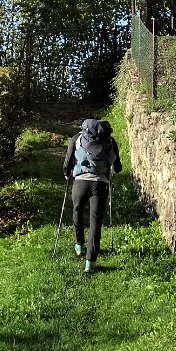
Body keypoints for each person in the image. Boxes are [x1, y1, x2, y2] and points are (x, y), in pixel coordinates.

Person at [62, 117, 122, 273]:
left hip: (80, 181)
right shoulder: (109, 140)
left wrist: (67, 172)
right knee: (95, 221)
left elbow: (68, 161)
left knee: (77, 209)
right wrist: (112, 170)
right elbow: (118, 167)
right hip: (100, 184)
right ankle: (90, 262)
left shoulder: (77, 138)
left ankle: (79, 244)